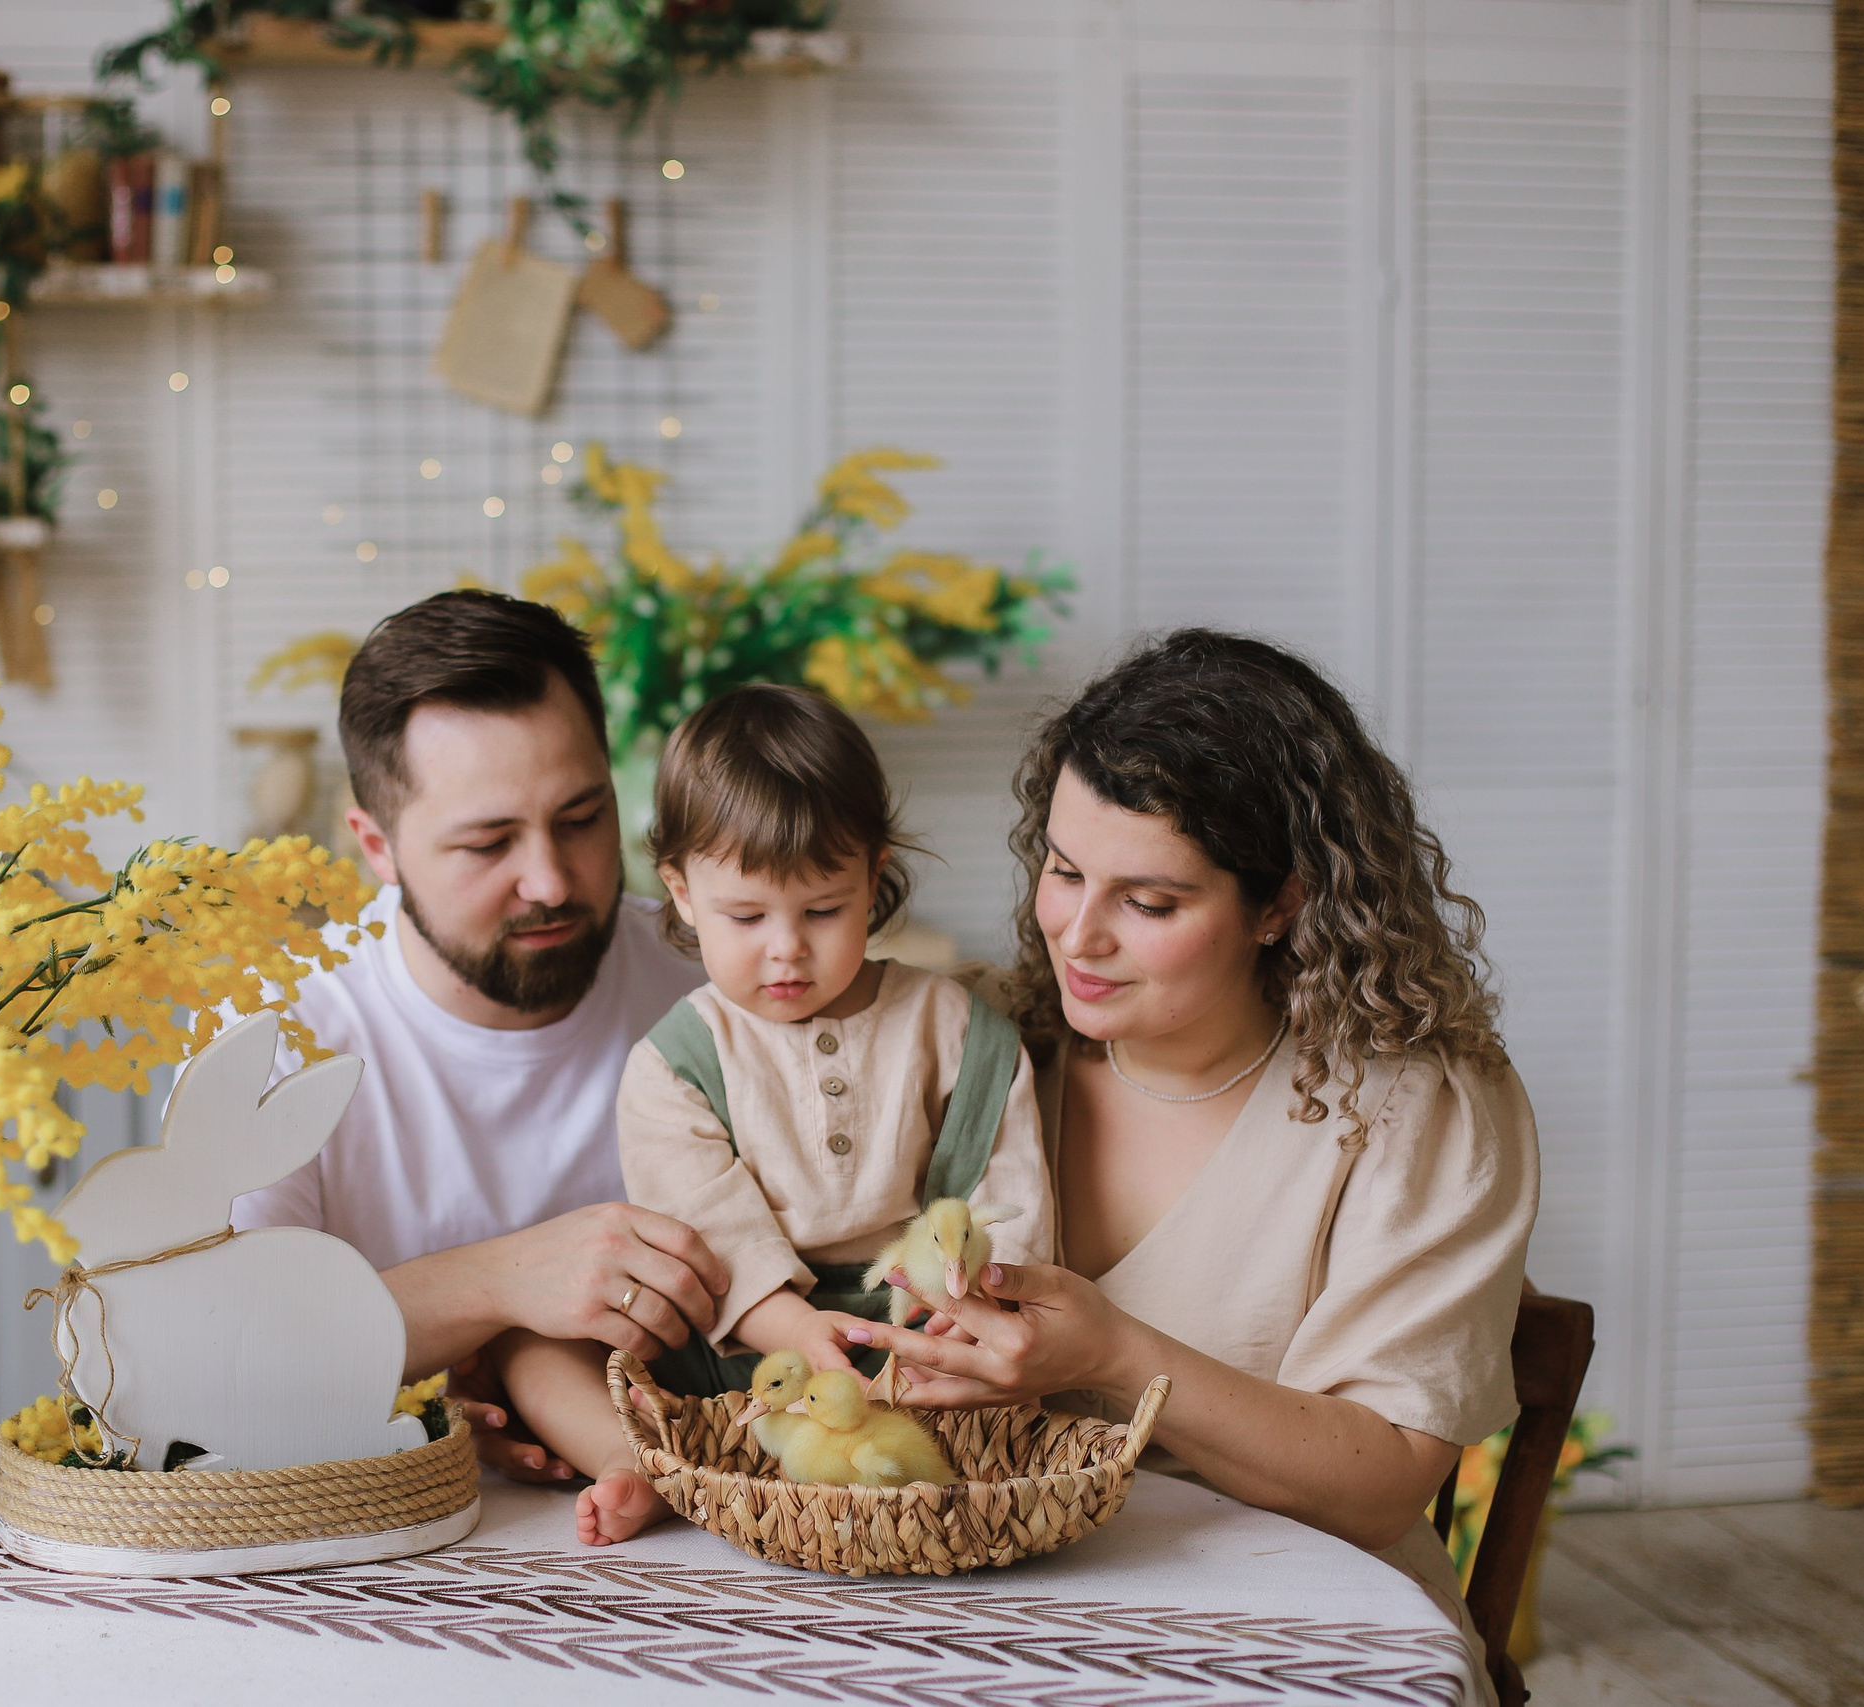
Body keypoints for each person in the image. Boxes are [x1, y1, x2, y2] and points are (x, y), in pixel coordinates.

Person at [850, 629, 1536, 1696]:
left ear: (1282, 902)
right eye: (1063, 871)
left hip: (1296, 1641)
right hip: (997, 1623)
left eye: (1149, 902)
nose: (1077, 936)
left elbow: (1380, 1487)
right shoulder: (982, 1042)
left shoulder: (1411, 1106)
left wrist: (1115, 1358)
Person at [488, 685, 1055, 1544]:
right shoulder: (677, 1060)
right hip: (739, 1338)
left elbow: (1004, 1197)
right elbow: (709, 1229)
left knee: (996, 1367)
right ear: (679, 890)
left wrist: (963, 1314)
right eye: (746, 915)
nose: (786, 946)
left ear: (875, 872)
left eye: (823, 909)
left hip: (916, 1328)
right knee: (531, 1348)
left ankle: (886, 1454)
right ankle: (640, 1459)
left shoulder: (958, 1029)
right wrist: (793, 1328)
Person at [225, 590, 726, 1481]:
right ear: (375, 847)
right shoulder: (275, 1029)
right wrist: (502, 1282)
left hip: (699, 1532)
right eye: (488, 843)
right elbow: (232, 1354)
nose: (549, 879)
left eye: (582, 818)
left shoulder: (715, 984)